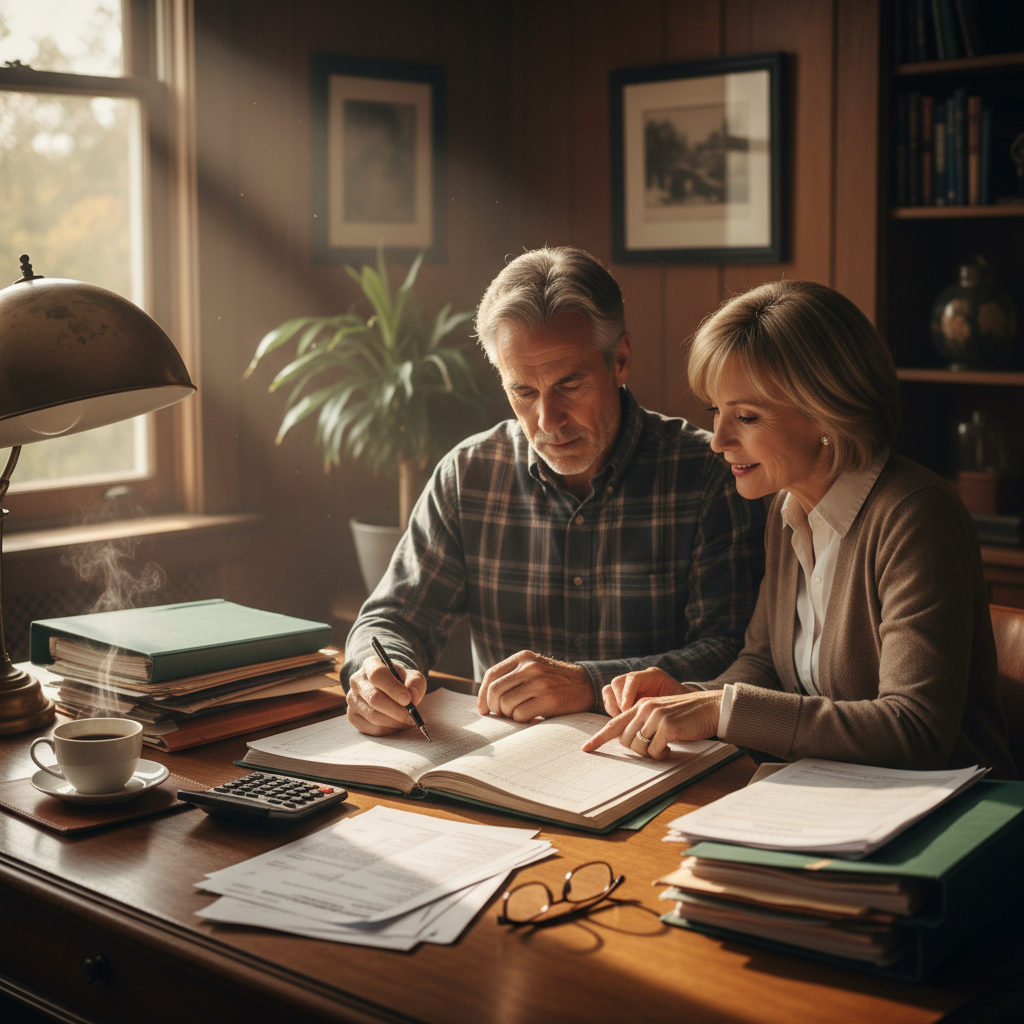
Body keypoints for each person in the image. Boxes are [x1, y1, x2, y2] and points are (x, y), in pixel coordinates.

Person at [583, 279, 1016, 778]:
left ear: (827, 411)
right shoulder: (786, 506)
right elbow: (763, 664)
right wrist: (690, 698)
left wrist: (721, 710)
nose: (718, 440)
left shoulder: (916, 516)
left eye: (746, 416)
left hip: (956, 805)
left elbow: (915, 731)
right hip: (837, 793)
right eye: (716, 412)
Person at [341, 246, 767, 735]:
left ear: (620, 359)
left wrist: (589, 684)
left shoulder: (708, 476)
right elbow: (392, 619)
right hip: (500, 764)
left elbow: (733, 653)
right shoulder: (469, 474)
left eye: (569, 385)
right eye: (523, 391)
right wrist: (379, 673)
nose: (547, 420)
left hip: (655, 755)